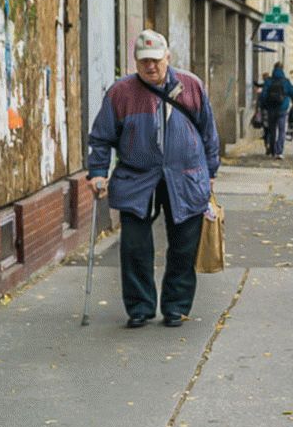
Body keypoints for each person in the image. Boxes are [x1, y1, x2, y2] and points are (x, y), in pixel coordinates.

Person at [87, 30, 220, 328]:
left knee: (184, 245)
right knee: (134, 245)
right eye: (144, 61)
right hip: (137, 178)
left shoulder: (191, 86)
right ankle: (140, 307)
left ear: (167, 58)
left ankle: (176, 306)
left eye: (156, 60)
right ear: (135, 61)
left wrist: (211, 172)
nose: (151, 67)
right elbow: (100, 137)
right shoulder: (120, 92)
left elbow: (209, 132)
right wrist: (97, 172)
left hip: (185, 177)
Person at [259, 62, 293, 159]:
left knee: (272, 130)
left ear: (274, 69)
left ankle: (272, 150)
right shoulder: (285, 81)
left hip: (271, 109)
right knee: (281, 131)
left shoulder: (269, 81)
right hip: (282, 109)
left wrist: (265, 105)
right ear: (282, 69)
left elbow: (263, 95)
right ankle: (279, 151)